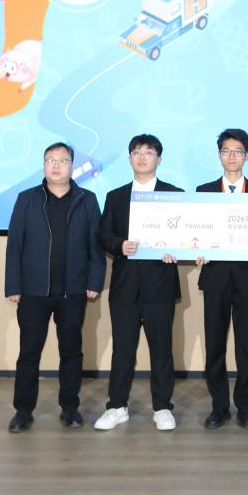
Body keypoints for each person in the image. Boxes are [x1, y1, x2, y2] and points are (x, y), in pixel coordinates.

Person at [3, 142, 105, 433]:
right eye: (51, 160)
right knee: (29, 353)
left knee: (71, 351)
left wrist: (94, 281)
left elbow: (95, 245)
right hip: (33, 291)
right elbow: (15, 245)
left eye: (62, 160)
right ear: (44, 165)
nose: (56, 165)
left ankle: (70, 407)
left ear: (72, 166)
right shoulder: (27, 199)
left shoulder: (87, 199)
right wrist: (13, 285)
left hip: (73, 291)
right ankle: (23, 411)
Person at [94, 134, 184, 433]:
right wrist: (120, 245)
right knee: (123, 350)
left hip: (160, 284)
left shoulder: (175, 195)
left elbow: (185, 235)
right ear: (130, 158)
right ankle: (117, 406)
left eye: (149, 152)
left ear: (159, 159)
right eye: (136, 152)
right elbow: (103, 234)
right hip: (125, 286)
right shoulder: (116, 196)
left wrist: (177, 249)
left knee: (162, 350)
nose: (142, 157)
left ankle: (162, 407)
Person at [195, 128, 248, 429]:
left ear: (247, 156)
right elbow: (197, 230)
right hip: (214, 277)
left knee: (245, 347)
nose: (232, 156)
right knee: (214, 346)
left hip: (247, 278)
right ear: (219, 155)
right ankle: (218, 407)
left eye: (237, 151)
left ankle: (245, 407)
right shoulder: (203, 192)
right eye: (226, 151)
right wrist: (197, 248)